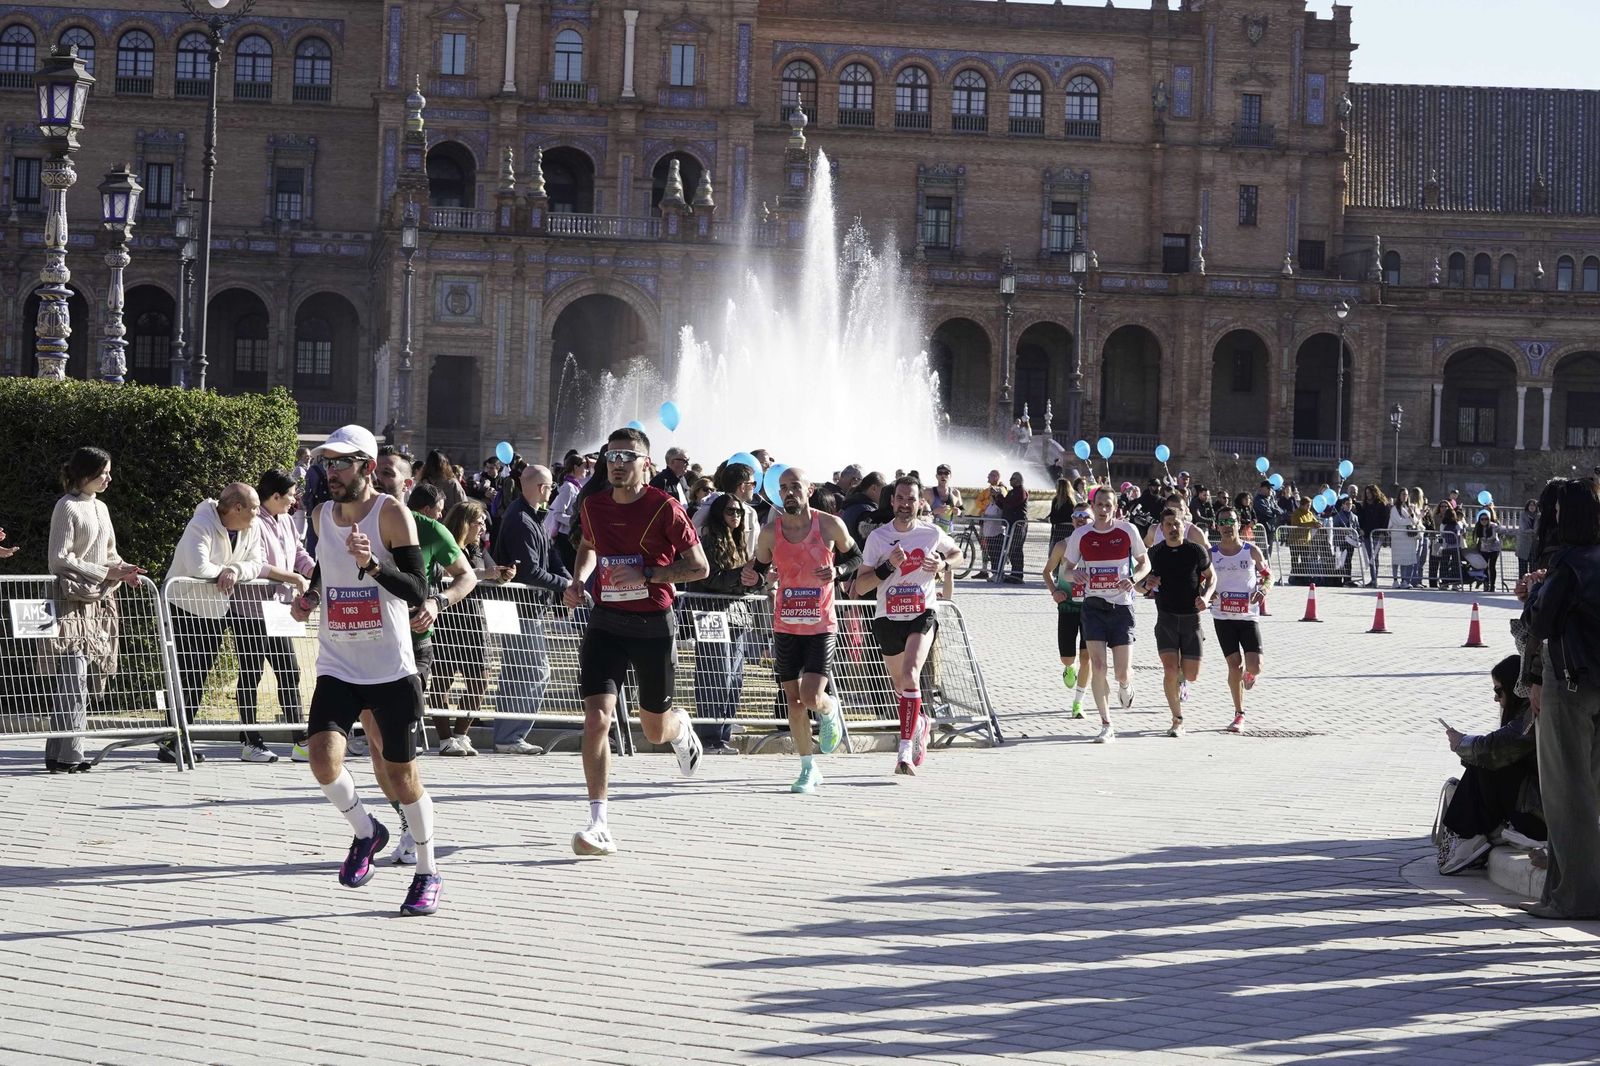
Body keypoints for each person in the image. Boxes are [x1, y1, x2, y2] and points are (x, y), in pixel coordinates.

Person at [288, 425, 442, 916]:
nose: (331, 473)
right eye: (326, 464)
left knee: (401, 778)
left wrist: (374, 565)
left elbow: (418, 589)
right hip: (337, 662)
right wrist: (311, 596)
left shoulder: (392, 513)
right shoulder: (319, 514)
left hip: (390, 667)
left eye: (341, 464)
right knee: (322, 760)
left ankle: (427, 870)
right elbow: (324, 565)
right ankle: (366, 831)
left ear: (368, 467)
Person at [562, 427, 709, 857]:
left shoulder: (665, 507)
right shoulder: (593, 505)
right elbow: (589, 545)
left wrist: (648, 575)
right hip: (606, 622)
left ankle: (680, 728)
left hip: (652, 625)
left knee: (654, 730)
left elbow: (698, 566)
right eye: (612, 456)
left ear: (647, 464)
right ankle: (598, 822)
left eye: (628, 456)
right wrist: (578, 581)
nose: (618, 463)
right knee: (596, 720)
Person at [746, 467, 857, 792]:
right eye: (783, 488)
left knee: (811, 696)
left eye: (795, 486)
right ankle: (808, 768)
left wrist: (837, 569)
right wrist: (755, 577)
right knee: (793, 701)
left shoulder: (829, 525)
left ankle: (829, 708)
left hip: (821, 624)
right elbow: (761, 568)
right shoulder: (770, 532)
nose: (789, 492)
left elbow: (855, 556)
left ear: (809, 490)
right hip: (785, 625)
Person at [1521, 477, 1600, 919]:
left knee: (1567, 796)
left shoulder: (1568, 563)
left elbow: (1540, 624)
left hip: (1569, 683)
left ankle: (1574, 898)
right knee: (1588, 791)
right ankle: (1556, 893)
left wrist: (1534, 591)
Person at [44, 447, 144, 773]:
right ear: (85, 474)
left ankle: (59, 753)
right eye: (103, 473)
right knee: (73, 674)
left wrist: (125, 570)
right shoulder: (66, 506)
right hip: (68, 601)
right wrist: (104, 572)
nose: (109, 478)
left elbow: (110, 554)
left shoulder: (101, 508)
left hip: (97, 603)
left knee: (79, 676)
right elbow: (59, 558)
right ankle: (71, 754)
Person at [853, 475, 960, 776]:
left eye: (911, 499)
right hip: (888, 616)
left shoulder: (930, 533)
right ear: (892, 501)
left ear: (919, 502)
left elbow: (957, 553)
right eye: (900, 498)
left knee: (912, 674)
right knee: (901, 685)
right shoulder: (878, 538)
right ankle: (921, 723)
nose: (905, 504)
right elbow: (860, 586)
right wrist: (888, 567)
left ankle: (904, 751)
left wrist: (943, 564)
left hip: (921, 612)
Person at [163, 483, 266, 764]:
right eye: (254, 507)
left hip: (215, 609)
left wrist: (234, 570)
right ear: (236, 509)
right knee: (186, 675)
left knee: (199, 675)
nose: (258, 512)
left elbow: (257, 563)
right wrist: (226, 573)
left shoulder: (252, 527)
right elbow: (199, 567)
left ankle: (178, 739)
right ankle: (173, 739)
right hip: (184, 606)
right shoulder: (201, 524)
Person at [233, 469, 315, 762]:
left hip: (279, 608)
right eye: (291, 495)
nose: (295, 501)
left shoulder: (288, 521)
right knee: (251, 673)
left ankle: (300, 740)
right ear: (276, 496)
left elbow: (299, 552)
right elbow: (256, 565)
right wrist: (293, 577)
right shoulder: (253, 523)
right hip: (250, 610)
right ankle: (250, 740)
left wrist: (312, 570)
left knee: (289, 671)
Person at [1436, 654, 1544, 874]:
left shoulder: (1533, 716)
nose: (1496, 699)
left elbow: (1494, 749)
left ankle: (1466, 837)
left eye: (1499, 691)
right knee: (1482, 763)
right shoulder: (1526, 715)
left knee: (1487, 762)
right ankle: (1471, 835)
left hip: (1540, 817)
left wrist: (1461, 742)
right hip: (1533, 807)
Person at [490, 464, 569, 756]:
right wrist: (565, 585)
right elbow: (532, 572)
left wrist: (567, 580)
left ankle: (508, 735)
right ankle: (511, 736)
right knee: (532, 671)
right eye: (549, 487)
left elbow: (550, 555)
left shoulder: (527, 516)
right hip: (519, 607)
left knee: (516, 671)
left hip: (517, 606)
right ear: (541, 488)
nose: (551, 492)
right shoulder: (522, 519)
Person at [1063, 486, 1151, 743]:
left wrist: (1134, 578)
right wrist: (1075, 574)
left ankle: (1125, 685)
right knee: (1098, 666)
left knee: (1121, 672)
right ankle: (1106, 724)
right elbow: (1067, 570)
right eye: (1098, 505)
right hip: (1093, 607)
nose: (1102, 510)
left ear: (1115, 508)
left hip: (1122, 608)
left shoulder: (1128, 530)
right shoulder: (1081, 535)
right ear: (1093, 506)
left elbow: (1146, 563)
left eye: (1107, 506)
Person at [433, 499, 508, 757]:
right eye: (479, 522)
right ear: (465, 523)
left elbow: (488, 570)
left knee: (480, 679)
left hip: (474, 620)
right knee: (442, 680)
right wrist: (484, 575)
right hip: (447, 619)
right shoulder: (447, 545)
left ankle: (461, 734)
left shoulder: (477, 549)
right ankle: (444, 739)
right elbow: (446, 574)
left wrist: (501, 575)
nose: (483, 527)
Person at [688, 492, 757, 754]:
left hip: (738, 614)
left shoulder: (740, 542)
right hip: (709, 614)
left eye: (739, 511)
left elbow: (743, 582)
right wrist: (744, 575)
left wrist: (757, 578)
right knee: (714, 674)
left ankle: (722, 735)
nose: (736, 516)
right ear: (719, 513)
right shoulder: (708, 541)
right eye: (730, 511)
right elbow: (711, 579)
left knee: (735, 677)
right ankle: (709, 737)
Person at [1138, 508, 1215, 738]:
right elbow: (1137, 583)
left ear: (1185, 526)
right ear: (1161, 528)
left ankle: (1183, 679)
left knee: (1191, 675)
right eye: (1168, 524)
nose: (1173, 528)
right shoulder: (1155, 553)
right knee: (1170, 669)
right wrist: (1146, 584)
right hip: (1166, 619)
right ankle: (1177, 719)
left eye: (1177, 524)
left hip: (1191, 619)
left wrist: (1207, 596)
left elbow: (1212, 576)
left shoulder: (1196, 551)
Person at [1207, 506, 1268, 734]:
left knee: (1255, 666)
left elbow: (1268, 576)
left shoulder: (1251, 551)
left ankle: (1250, 674)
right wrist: (1207, 592)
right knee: (1234, 665)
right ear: (1216, 525)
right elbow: (1202, 580)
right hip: (1222, 616)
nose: (1226, 526)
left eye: (1230, 521)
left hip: (1248, 616)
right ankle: (1239, 714)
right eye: (1222, 522)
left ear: (1238, 523)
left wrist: (1263, 590)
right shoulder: (1211, 554)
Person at [1043, 504, 1094, 718]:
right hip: (1067, 606)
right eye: (1076, 516)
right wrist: (1055, 592)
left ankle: (1078, 703)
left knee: (1087, 657)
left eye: (1085, 516)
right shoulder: (1062, 546)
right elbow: (1046, 572)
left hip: (1092, 607)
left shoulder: (1096, 546)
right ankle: (1068, 667)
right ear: (1072, 520)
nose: (1080, 519)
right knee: (1067, 658)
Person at [972, 469, 1005, 580]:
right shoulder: (987, 490)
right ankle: (984, 569)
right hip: (985, 522)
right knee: (984, 546)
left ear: (996, 477)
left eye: (989, 476)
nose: (987, 478)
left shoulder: (1001, 490)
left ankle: (993, 571)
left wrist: (985, 504)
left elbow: (1000, 502)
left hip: (994, 527)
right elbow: (977, 502)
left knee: (992, 548)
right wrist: (986, 505)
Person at [1388, 487, 1424, 588]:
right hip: (1397, 538)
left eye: (1406, 494)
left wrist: (1412, 515)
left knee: (1405, 560)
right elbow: (1398, 521)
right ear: (1399, 496)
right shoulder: (1395, 508)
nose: (1405, 496)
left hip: (1407, 538)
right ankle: (1395, 580)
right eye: (1403, 494)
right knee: (1396, 560)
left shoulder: (1410, 507)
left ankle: (1404, 580)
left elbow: (1416, 521)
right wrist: (1410, 519)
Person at [1358, 486, 1391, 587]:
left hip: (1377, 534)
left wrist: (1383, 532)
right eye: (1366, 493)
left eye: (1370, 492)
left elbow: (1386, 519)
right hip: (1367, 534)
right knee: (1370, 557)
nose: (1368, 495)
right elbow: (1362, 518)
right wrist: (1362, 529)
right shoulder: (1365, 505)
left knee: (1374, 556)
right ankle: (1373, 579)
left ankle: (1374, 580)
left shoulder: (1381, 504)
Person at [1001, 471, 1030, 583]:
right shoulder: (1013, 491)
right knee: (1012, 549)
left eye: (1012, 479)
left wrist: (1000, 496)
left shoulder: (1021, 491)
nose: (1010, 481)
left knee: (1016, 548)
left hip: (1018, 524)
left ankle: (1018, 574)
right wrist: (998, 498)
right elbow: (1005, 505)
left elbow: (1012, 504)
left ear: (1018, 480)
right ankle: (1015, 573)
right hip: (1011, 524)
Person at [419, 449, 465, 515]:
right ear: (445, 464)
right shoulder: (452, 483)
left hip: (425, 522)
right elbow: (464, 505)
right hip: (448, 522)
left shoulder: (422, 483)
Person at [1470, 507, 1502, 592]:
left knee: (1492, 566)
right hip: (1484, 549)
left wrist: (1485, 540)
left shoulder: (1493, 526)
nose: (1484, 521)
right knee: (1484, 567)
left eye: (1486, 519)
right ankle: (1486, 584)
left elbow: (1494, 537)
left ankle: (1493, 585)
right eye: (1482, 519)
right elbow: (1476, 538)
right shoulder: (1478, 527)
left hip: (1494, 548)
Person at [1517, 498, 1540, 580]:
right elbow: (1524, 528)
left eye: (1534, 505)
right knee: (1522, 569)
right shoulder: (1523, 514)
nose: (1532, 507)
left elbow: (1539, 529)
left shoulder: (1539, 516)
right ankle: (1522, 587)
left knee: (1534, 570)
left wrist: (1534, 531)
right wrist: (1533, 531)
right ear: (1527, 506)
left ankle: (1532, 588)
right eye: (1530, 505)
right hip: (1524, 545)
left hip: (1534, 545)